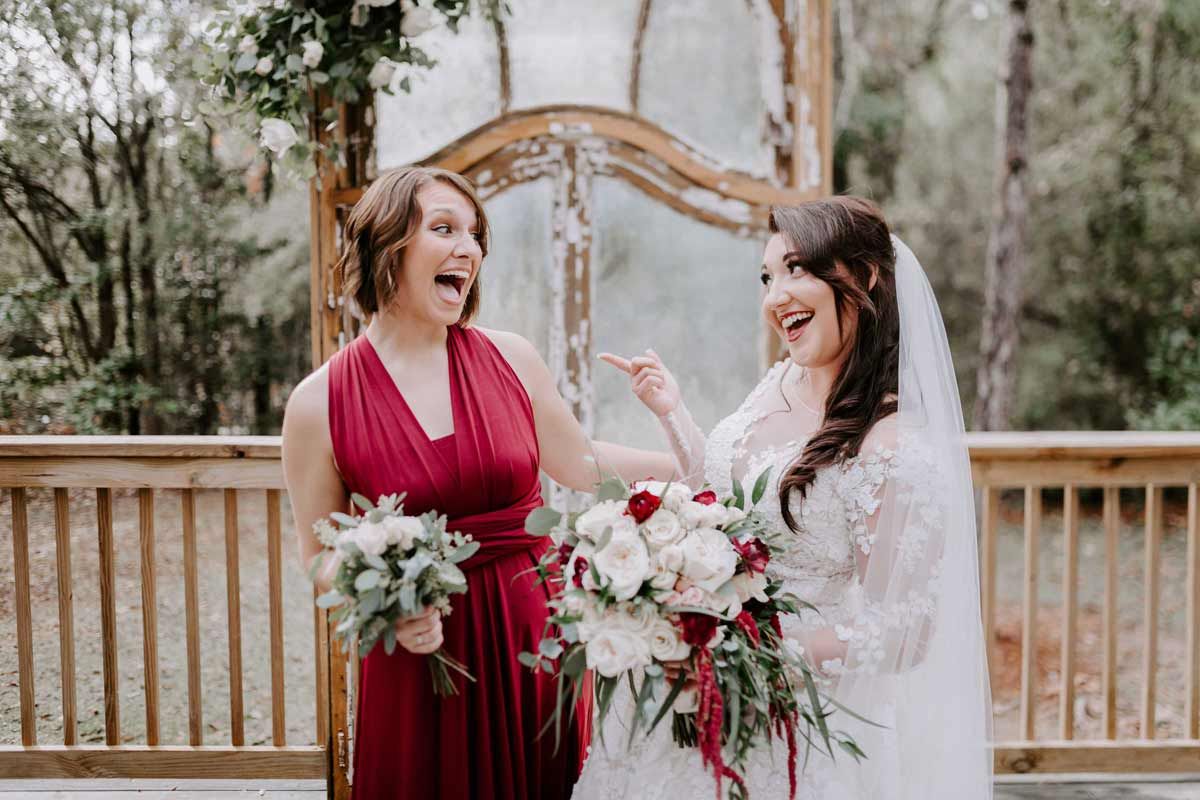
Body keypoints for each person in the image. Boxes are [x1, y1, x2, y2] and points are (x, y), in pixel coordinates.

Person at [575, 196, 992, 798]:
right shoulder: (782, 379)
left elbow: (905, 633)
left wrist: (740, 649)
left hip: (789, 727)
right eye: (768, 277)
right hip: (691, 698)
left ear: (864, 277)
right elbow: (732, 499)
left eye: (797, 269)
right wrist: (673, 414)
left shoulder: (891, 451)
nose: (775, 296)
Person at [281, 166, 674, 800]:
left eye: (475, 234)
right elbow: (318, 557)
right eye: (444, 229)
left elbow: (579, 465)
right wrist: (391, 602)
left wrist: (687, 457)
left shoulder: (511, 356)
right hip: (419, 660)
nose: (470, 249)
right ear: (387, 246)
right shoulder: (318, 403)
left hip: (532, 642)